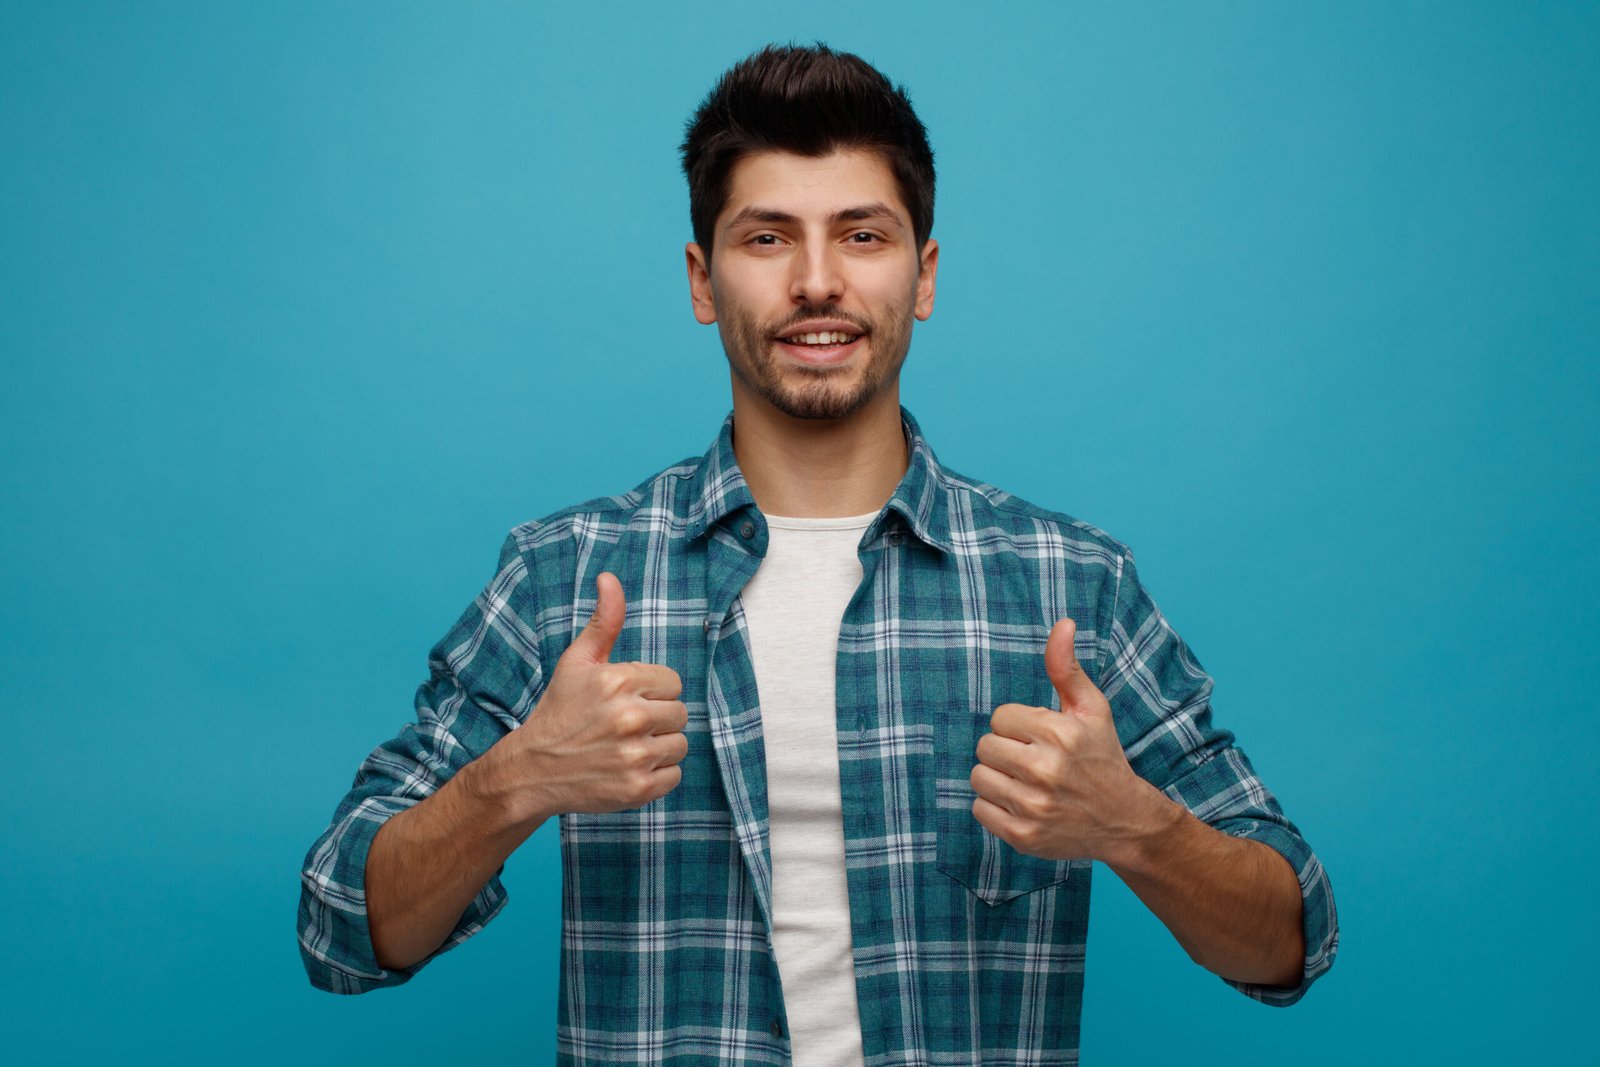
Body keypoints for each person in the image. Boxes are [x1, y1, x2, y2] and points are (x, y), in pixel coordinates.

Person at [299, 43, 1338, 1064]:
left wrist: (1135, 827)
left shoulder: (1071, 584)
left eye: (862, 235)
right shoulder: (564, 575)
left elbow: (1292, 933)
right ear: (703, 280)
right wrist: (514, 779)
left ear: (922, 274)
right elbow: (339, 921)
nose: (816, 281)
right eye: (766, 238)